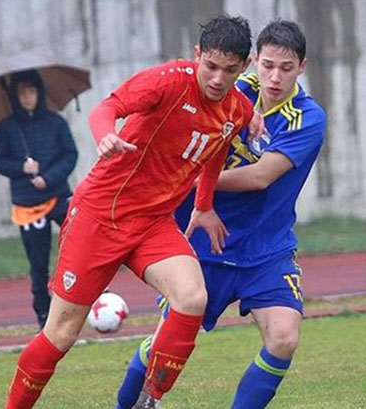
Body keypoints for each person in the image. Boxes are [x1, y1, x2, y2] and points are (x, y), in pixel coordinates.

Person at [5, 16, 263, 409]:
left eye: (229, 71)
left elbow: (217, 151)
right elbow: (106, 108)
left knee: (192, 297)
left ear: (244, 67)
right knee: (60, 333)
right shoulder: (168, 80)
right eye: (210, 66)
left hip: (152, 224)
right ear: (197, 56)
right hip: (100, 216)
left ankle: (149, 400)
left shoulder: (238, 110)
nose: (217, 79)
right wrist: (105, 135)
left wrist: (205, 205)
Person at [115, 20, 327, 409]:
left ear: (302, 66)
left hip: (266, 249)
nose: (274, 76)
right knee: (167, 340)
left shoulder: (307, 118)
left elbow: (261, 176)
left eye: (285, 67)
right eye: (267, 66)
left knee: (284, 336)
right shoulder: (228, 90)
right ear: (253, 63)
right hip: (203, 242)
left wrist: (194, 181)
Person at [0, 69, 79, 329]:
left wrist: (48, 178)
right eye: (21, 92)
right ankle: (44, 313)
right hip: (27, 203)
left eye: (31, 91)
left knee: (81, 245)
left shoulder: (56, 122)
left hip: (60, 196)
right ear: (14, 96)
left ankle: (96, 296)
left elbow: (70, 155)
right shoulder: (7, 127)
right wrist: (22, 167)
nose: (27, 97)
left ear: (39, 93)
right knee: (38, 262)